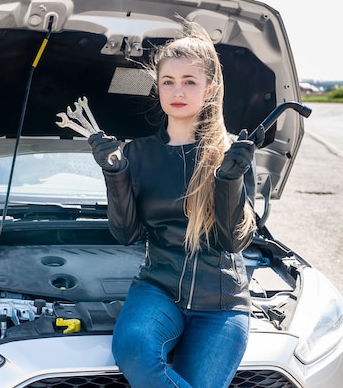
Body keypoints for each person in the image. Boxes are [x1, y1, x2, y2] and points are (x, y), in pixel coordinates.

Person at [88, 20, 264, 388]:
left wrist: (229, 181)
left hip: (222, 304)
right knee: (134, 347)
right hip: (157, 288)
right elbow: (125, 234)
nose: (177, 90)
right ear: (157, 87)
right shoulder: (137, 153)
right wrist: (115, 174)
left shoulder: (231, 154)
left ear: (210, 88)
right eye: (168, 81)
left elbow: (232, 242)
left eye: (189, 81)